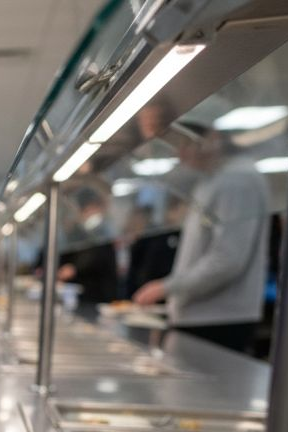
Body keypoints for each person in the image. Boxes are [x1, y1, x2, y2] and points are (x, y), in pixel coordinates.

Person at [133, 123, 270, 353]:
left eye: (185, 144)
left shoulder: (236, 180)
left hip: (218, 319)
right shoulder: (212, 180)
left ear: (212, 139)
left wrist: (167, 287)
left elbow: (228, 259)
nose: (180, 154)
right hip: (200, 315)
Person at [56, 188, 118, 305]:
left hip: (100, 293)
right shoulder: (78, 231)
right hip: (82, 293)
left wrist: (75, 268)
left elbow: (99, 256)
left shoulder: (104, 229)